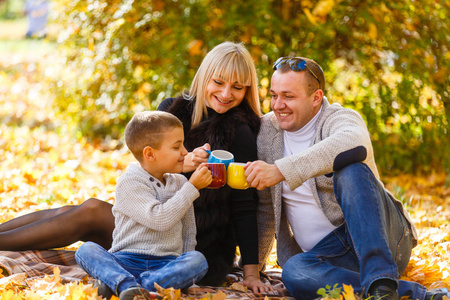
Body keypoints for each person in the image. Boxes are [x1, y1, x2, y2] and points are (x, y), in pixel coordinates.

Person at [0, 42, 271, 293]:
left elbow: (244, 205)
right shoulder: (172, 110)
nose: (226, 93)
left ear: (248, 90)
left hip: (191, 241)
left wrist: (251, 272)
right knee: (82, 209)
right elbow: (144, 167)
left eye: (238, 87)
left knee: (92, 212)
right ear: (203, 78)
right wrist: (181, 166)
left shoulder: (240, 131)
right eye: (218, 82)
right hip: (150, 216)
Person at [244, 56, 450, 300]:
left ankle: (382, 281)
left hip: (385, 241)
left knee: (351, 169)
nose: (278, 105)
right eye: (273, 95)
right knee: (295, 272)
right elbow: (267, 208)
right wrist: (253, 270)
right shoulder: (268, 131)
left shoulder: (339, 118)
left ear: (316, 98)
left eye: (288, 97)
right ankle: (393, 293)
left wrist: (280, 170)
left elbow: (354, 143)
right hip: (329, 257)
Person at [75, 111, 210, 300]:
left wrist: (184, 273)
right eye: (176, 147)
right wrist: (193, 187)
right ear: (149, 153)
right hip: (125, 260)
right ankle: (129, 285)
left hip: (166, 264)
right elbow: (159, 219)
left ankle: (130, 287)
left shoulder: (180, 183)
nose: (185, 152)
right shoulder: (130, 182)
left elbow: (188, 232)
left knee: (198, 261)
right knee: (86, 250)